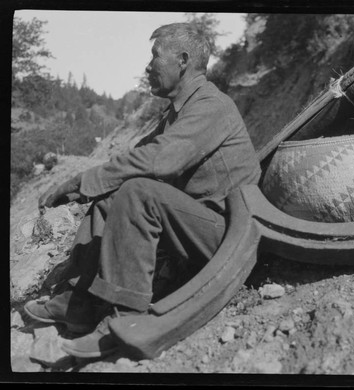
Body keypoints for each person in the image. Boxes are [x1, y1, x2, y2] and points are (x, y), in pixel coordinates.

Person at [23, 22, 262, 358]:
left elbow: (161, 160)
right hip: (196, 229)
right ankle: (80, 304)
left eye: (155, 56)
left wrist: (83, 180)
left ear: (182, 60)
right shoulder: (176, 115)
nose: (149, 66)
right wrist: (82, 187)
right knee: (110, 197)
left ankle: (125, 321)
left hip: (230, 237)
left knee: (138, 192)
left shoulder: (212, 105)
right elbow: (133, 159)